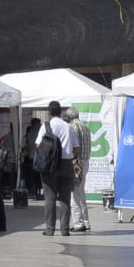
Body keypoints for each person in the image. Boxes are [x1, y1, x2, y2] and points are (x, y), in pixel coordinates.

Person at [37, 101, 78, 236]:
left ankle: (49, 229)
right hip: (66, 164)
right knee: (65, 198)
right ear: (61, 112)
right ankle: (65, 229)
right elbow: (76, 148)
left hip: (49, 166)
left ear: (49, 112)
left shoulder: (45, 126)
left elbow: (38, 145)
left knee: (50, 198)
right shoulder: (69, 127)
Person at [65, 107, 94, 232]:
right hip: (85, 161)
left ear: (68, 117)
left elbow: (74, 146)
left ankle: (78, 223)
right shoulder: (85, 127)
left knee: (75, 194)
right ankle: (86, 221)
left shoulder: (73, 127)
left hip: (77, 163)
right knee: (81, 193)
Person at [22, 117, 43, 199]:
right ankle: (36, 191)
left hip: (32, 157)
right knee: (36, 176)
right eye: (39, 123)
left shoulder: (31, 133)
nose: (41, 125)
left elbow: (28, 146)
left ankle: (36, 191)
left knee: (35, 175)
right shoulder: (35, 133)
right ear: (35, 125)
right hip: (35, 157)